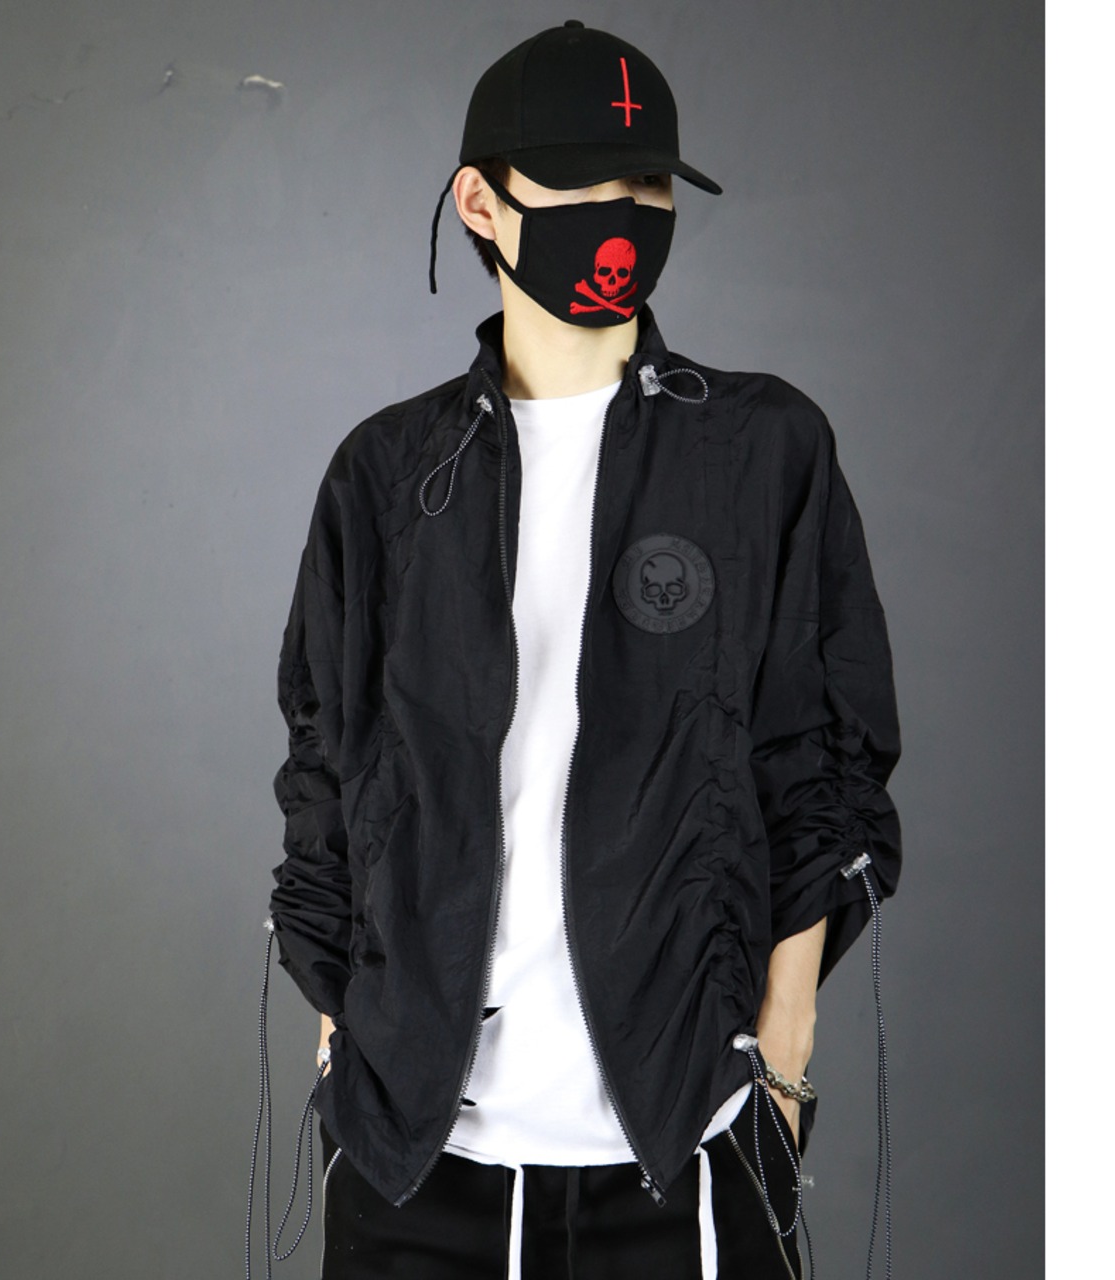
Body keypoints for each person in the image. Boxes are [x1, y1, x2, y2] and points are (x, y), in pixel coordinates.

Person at [248, 19, 902, 1280]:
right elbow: (325, 762)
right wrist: (342, 1022)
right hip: (414, 1153)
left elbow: (822, 759)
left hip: (684, 1138)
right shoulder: (386, 471)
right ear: (479, 204)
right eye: (580, 183)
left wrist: (782, 1044)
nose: (622, 216)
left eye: (646, 184)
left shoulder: (760, 450)